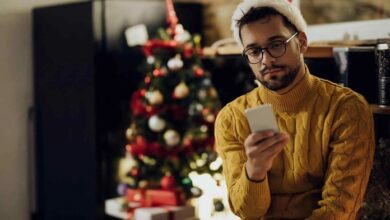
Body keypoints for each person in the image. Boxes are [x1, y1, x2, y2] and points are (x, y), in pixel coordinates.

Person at [214, 0, 375, 219]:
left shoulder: (346, 107)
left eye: (277, 44)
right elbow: (248, 213)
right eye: (253, 51)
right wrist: (255, 170)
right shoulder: (231, 118)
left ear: (301, 42)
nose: (267, 59)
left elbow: (340, 208)